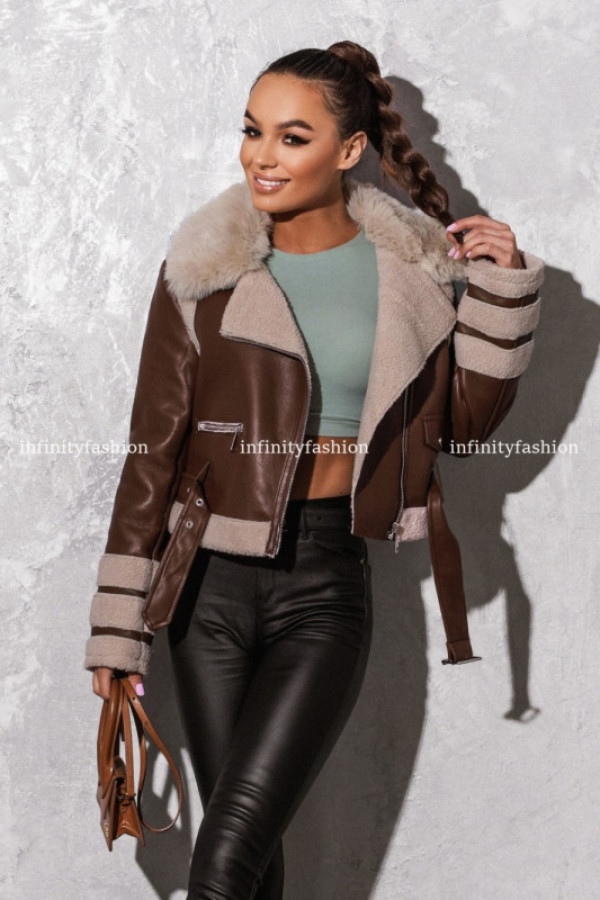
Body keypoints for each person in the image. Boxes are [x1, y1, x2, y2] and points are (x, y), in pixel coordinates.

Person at [85, 40, 544, 899]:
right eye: (252, 130)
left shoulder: (412, 272)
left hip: (326, 586)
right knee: (249, 864)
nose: (261, 156)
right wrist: (117, 627)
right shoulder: (203, 270)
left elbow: (464, 429)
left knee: (224, 862)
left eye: (292, 137)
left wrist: (502, 291)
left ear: (349, 148)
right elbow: (152, 454)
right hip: (203, 590)